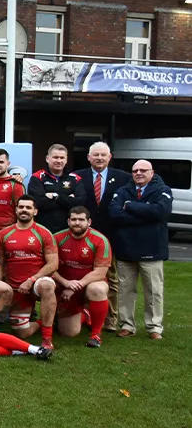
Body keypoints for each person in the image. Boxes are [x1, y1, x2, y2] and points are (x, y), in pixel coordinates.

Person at [109, 160, 171, 340]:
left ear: (152, 173)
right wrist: (146, 215)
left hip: (152, 249)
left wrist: (130, 206)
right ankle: (127, 325)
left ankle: (154, 327)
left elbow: (161, 212)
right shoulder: (122, 191)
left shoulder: (162, 190)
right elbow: (114, 214)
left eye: (143, 170)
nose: (138, 173)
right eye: (135, 170)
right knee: (125, 290)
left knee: (153, 290)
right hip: (126, 249)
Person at [73, 141, 130, 332]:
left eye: (103, 155)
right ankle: (84, 315)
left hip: (110, 237)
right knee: (80, 275)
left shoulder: (124, 178)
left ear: (109, 157)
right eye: (95, 155)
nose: (99, 158)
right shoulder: (77, 177)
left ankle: (110, 319)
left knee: (111, 279)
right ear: (88, 157)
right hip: (81, 237)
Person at [0, 195, 59, 348]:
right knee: (22, 332)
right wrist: (2, 288)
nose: (24, 210)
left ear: (35, 211)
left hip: (36, 283)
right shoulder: (4, 234)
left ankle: (47, 338)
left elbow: (53, 263)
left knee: (47, 286)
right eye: (21, 207)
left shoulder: (44, 233)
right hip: (16, 288)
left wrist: (31, 279)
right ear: (16, 210)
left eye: (28, 207)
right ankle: (45, 321)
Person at [53, 207, 113, 347]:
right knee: (68, 333)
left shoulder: (100, 240)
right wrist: (66, 283)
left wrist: (75, 286)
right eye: (73, 219)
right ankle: (86, 314)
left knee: (97, 289)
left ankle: (96, 335)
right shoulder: (57, 238)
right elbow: (50, 267)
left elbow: (100, 272)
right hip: (65, 285)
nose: (77, 223)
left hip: (88, 285)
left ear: (89, 222)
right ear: (68, 221)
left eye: (81, 220)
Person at [27, 143, 85, 234]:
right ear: (47, 159)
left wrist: (55, 196)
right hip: (42, 229)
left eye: (62, 158)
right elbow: (38, 203)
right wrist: (68, 199)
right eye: (55, 157)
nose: (59, 161)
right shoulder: (37, 177)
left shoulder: (75, 179)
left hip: (68, 231)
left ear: (66, 160)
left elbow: (79, 204)